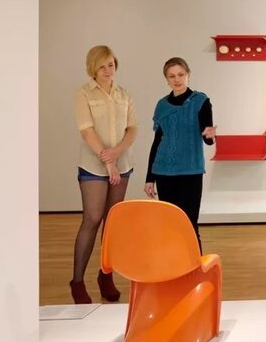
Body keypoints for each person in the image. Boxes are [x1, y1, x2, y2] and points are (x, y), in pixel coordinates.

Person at [71, 45, 138, 304]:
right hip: (93, 165)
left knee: (112, 223)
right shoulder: (83, 93)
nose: (108, 70)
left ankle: (105, 276)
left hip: (122, 163)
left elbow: (132, 129)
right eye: (102, 66)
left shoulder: (124, 94)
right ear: (93, 68)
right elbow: (86, 130)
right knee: (92, 218)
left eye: (111, 64)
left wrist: (117, 153)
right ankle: (77, 281)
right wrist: (108, 160)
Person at [144, 58, 216, 250]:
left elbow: (207, 138)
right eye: (172, 76)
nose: (177, 79)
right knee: (169, 225)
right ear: (166, 79)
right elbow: (157, 142)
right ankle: (172, 265)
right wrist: (149, 178)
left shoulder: (201, 101)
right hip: (164, 172)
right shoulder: (162, 105)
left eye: (181, 75)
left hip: (190, 172)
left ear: (188, 75)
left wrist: (210, 136)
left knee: (190, 224)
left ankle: (195, 266)